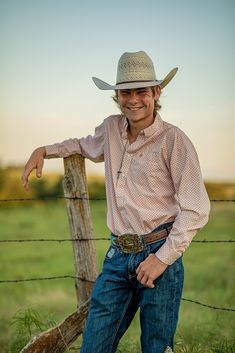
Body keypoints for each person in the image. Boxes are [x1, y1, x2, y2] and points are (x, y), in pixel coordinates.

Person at [22, 51, 210, 353]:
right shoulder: (111, 128)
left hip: (158, 252)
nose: (133, 99)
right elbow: (84, 145)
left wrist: (161, 259)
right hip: (118, 254)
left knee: (156, 348)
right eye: (125, 92)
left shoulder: (174, 140)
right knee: (94, 346)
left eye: (141, 91)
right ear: (117, 95)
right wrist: (44, 149)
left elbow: (197, 209)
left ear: (156, 93)